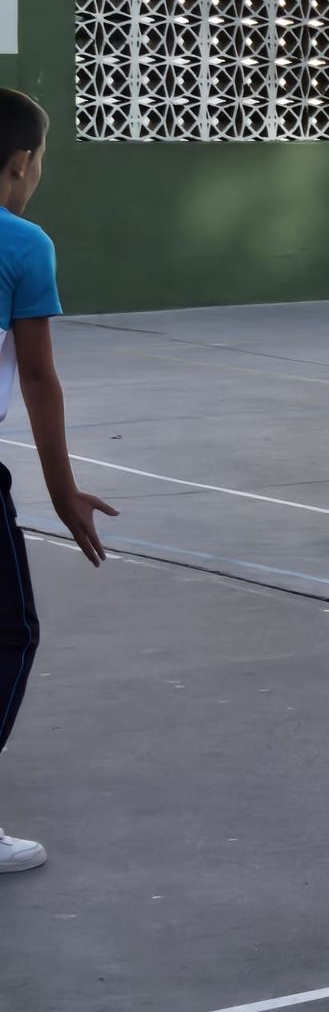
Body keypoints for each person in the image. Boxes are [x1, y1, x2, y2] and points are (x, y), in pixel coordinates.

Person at [0, 88, 118, 873]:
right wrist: (63, 491)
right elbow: (39, 377)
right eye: (41, 160)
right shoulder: (22, 245)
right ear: (21, 164)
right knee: (11, 633)